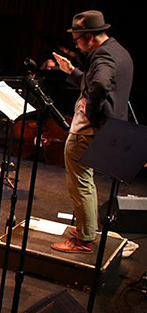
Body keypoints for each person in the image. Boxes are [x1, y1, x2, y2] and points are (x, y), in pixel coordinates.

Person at [50, 10, 133, 254]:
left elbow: (100, 84)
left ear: (89, 37)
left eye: (77, 39)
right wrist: (72, 72)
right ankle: (87, 227)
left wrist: (90, 108)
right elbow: (96, 82)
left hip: (89, 130)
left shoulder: (103, 55)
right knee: (86, 180)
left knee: (80, 181)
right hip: (112, 126)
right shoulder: (118, 50)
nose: (76, 44)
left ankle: (84, 240)